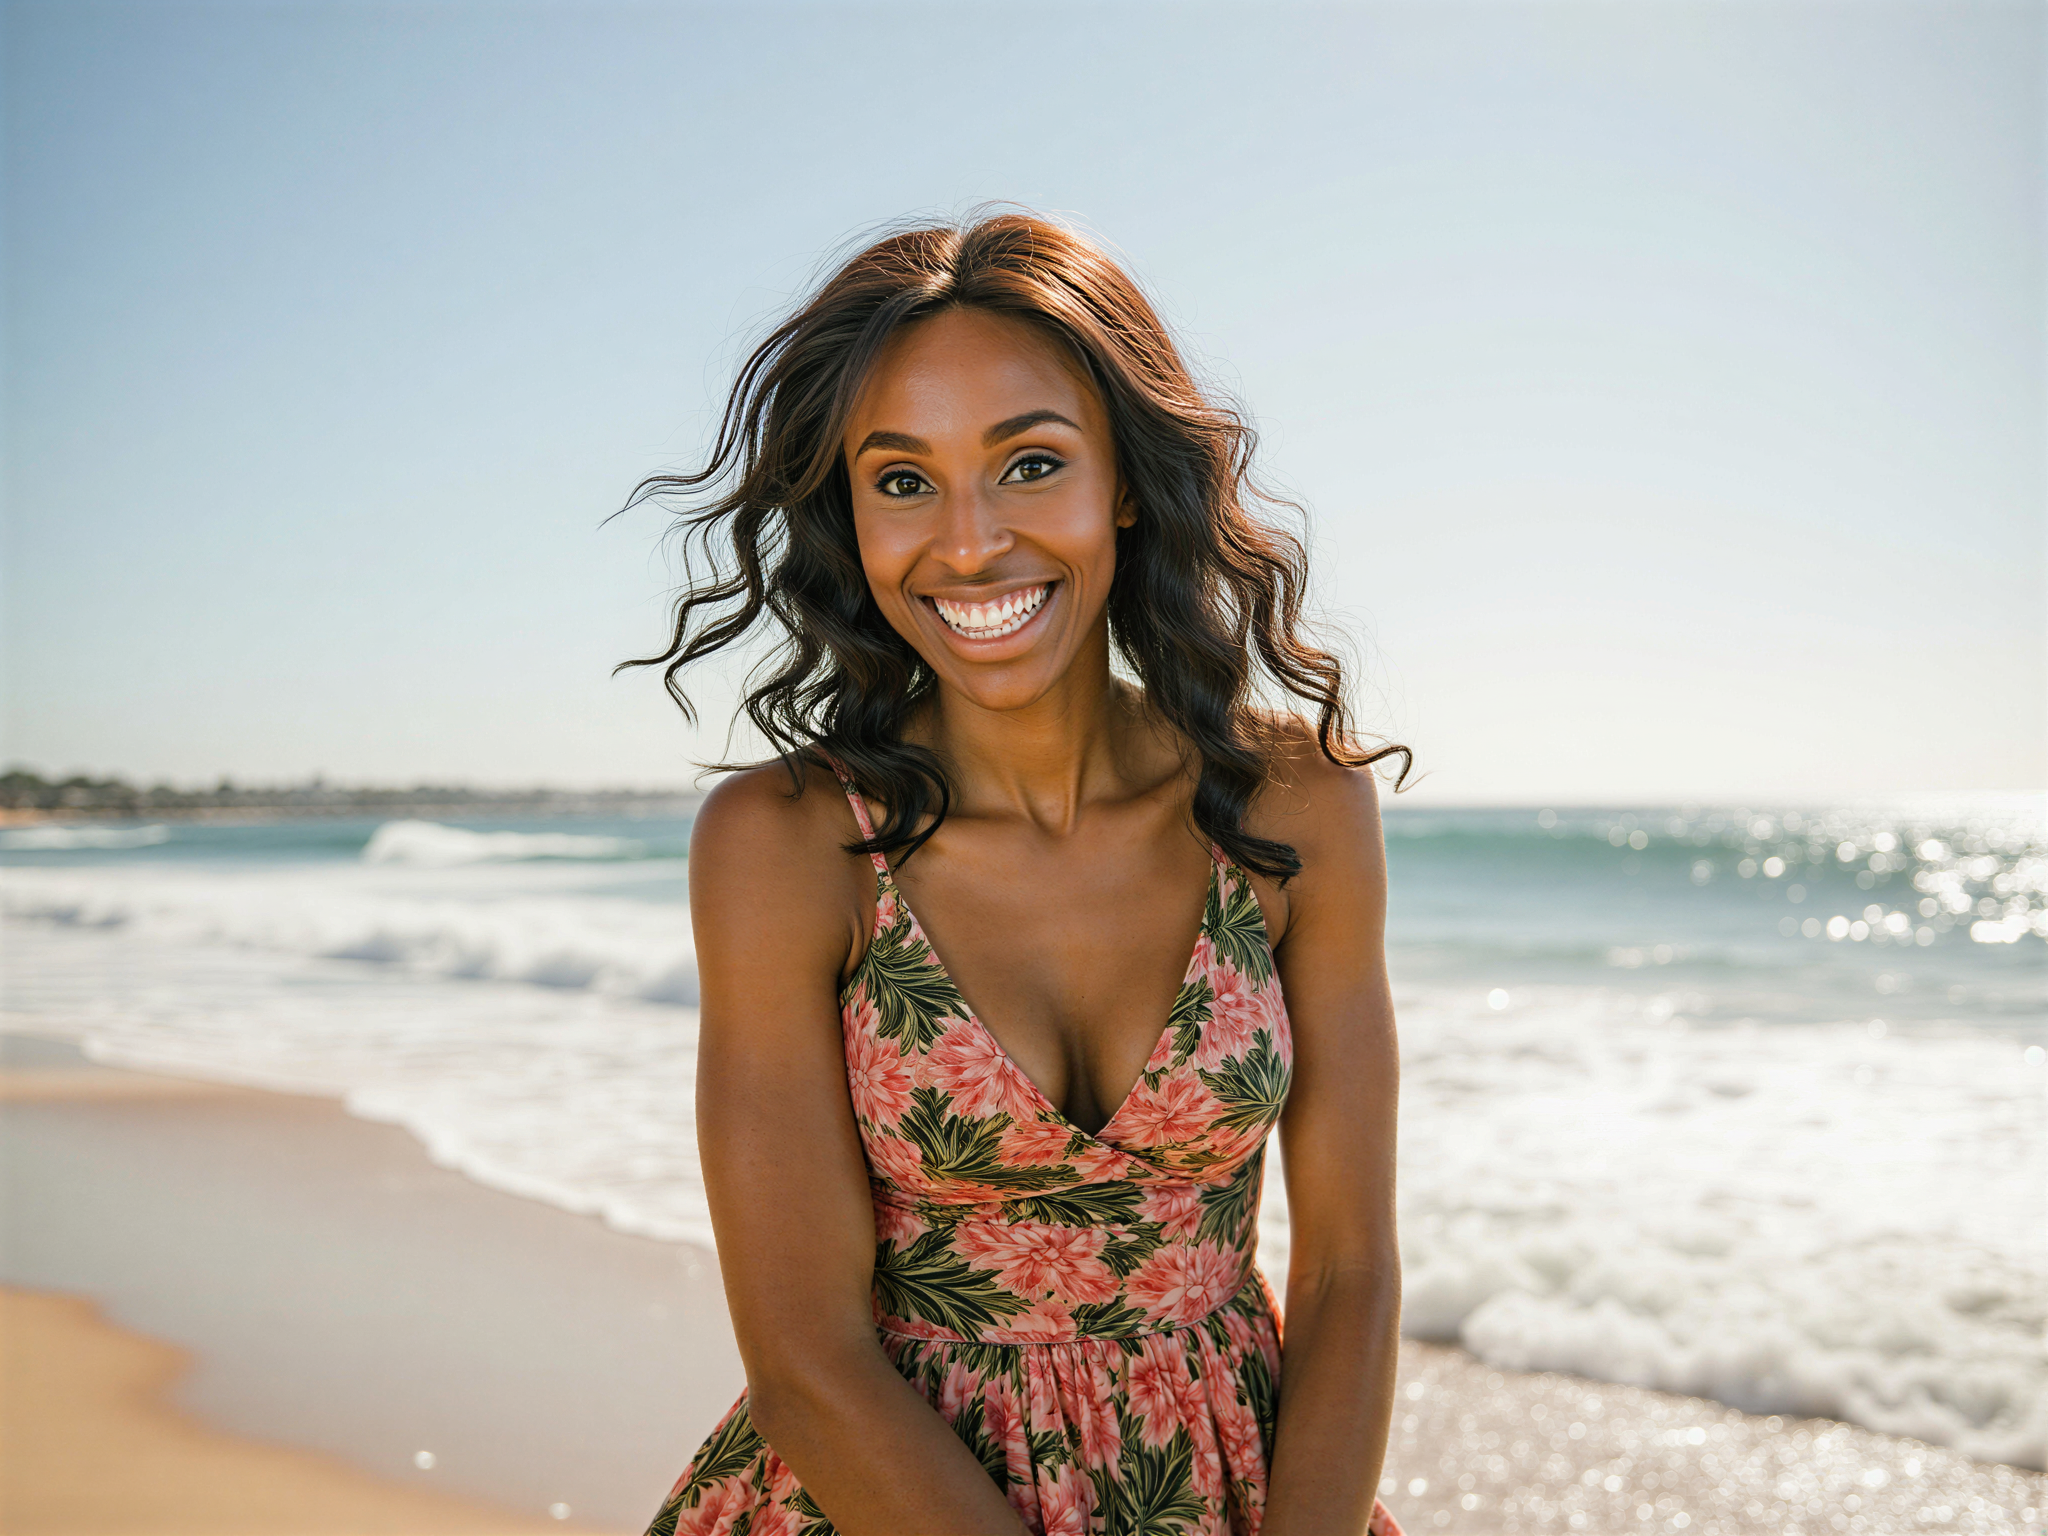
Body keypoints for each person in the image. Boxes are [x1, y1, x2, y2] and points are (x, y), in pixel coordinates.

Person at [626, 210, 1408, 1536]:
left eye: (1030, 463)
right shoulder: (790, 847)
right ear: (849, 517)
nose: (972, 541)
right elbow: (808, 1366)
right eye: (903, 480)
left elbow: (1346, 1272)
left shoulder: (1294, 809)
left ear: (1125, 478)